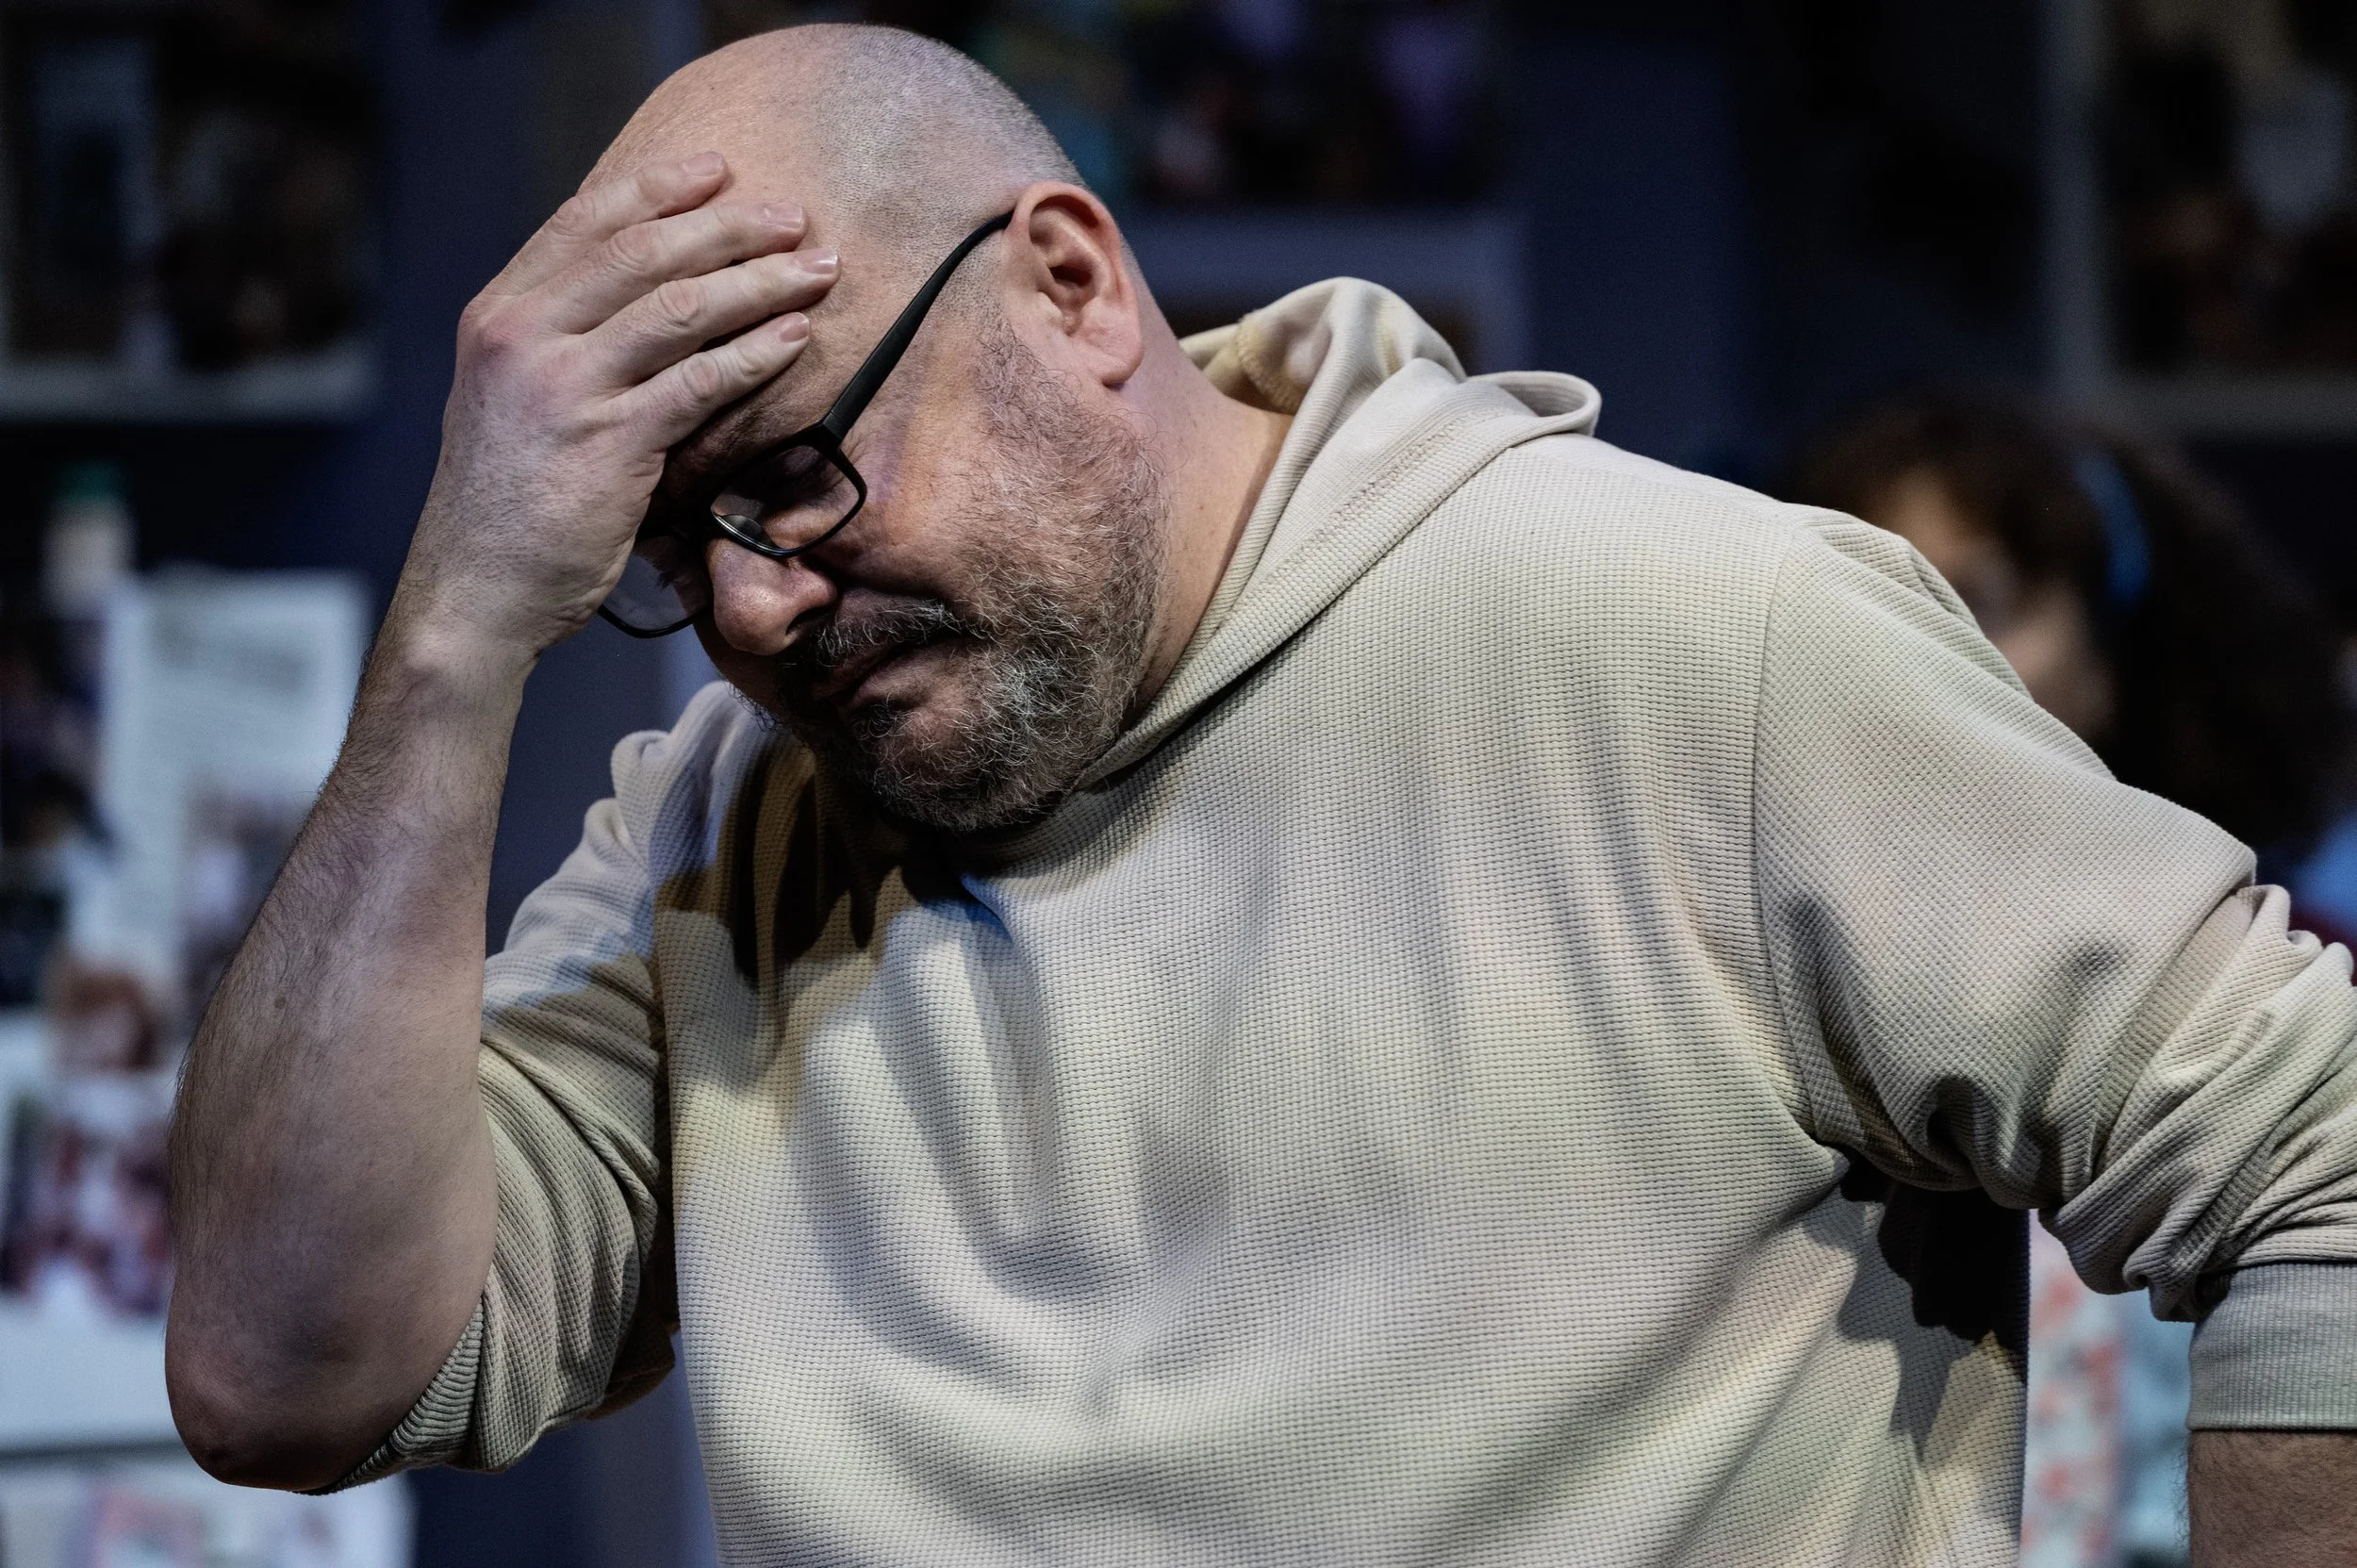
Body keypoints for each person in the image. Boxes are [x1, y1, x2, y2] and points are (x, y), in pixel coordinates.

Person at [165, 25, 2357, 1566]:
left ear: (1067, 283)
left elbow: (2317, 1153)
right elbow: (284, 1377)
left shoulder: (1700, 634)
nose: (751, 601)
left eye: (798, 470)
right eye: (669, 541)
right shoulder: (725, 819)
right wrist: (454, 631)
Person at [1789, 393, 2356, 1568]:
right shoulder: (1773, 991)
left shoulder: (2294, 984)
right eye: (1880, 608)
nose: (1929, 657)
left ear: (2107, 632)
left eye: (1983, 600)